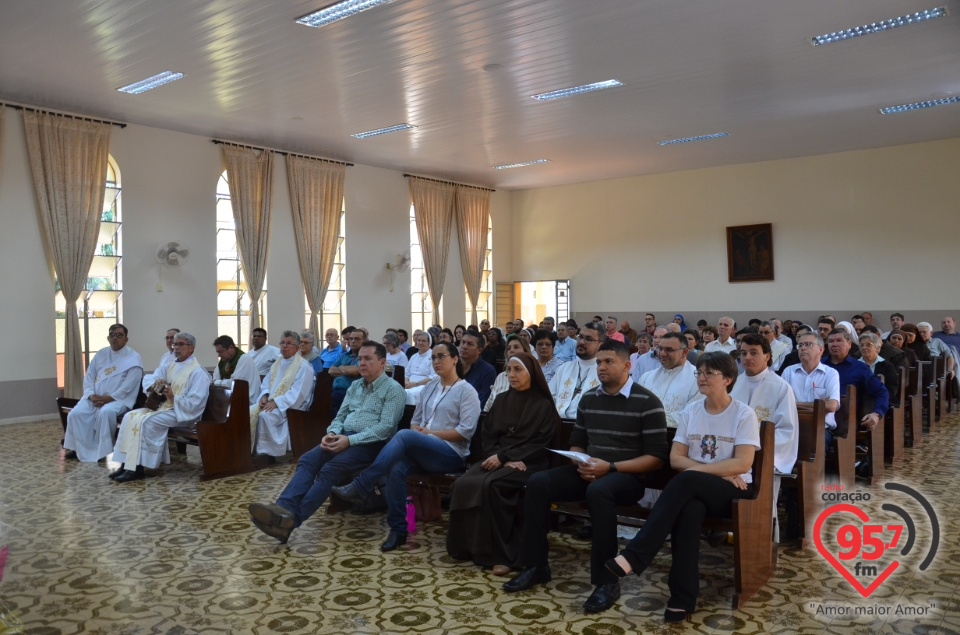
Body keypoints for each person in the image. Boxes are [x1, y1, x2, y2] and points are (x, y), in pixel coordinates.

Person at [503, 340, 668, 614]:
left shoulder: (647, 402)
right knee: (538, 482)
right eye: (599, 362)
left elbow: (656, 458)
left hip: (627, 477)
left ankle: (607, 581)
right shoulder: (589, 398)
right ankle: (535, 565)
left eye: (608, 362)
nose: (601, 367)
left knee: (599, 492)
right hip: (592, 470)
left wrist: (611, 467)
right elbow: (578, 441)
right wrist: (580, 460)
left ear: (627, 365)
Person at [604, 351, 760, 623]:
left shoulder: (743, 414)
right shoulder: (691, 411)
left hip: (734, 491)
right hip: (704, 486)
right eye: (699, 372)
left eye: (709, 373)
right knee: (689, 511)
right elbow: (676, 459)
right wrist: (719, 472)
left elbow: (743, 462)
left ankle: (636, 555)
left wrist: (710, 473)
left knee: (687, 481)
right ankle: (682, 598)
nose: (702, 378)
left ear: (728, 379)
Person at [247, 341, 406, 543]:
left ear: (382, 362)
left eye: (368, 359)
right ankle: (283, 508)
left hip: (372, 445)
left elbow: (386, 428)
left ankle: (291, 522)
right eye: (360, 359)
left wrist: (349, 440)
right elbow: (340, 416)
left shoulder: (393, 390)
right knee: (306, 460)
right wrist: (331, 433)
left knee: (329, 470)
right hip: (344, 436)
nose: (362, 363)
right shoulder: (355, 386)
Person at [333, 341, 481, 552]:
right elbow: (416, 420)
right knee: (396, 469)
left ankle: (364, 482)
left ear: (455, 359)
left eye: (441, 356)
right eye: (433, 358)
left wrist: (429, 434)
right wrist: (417, 432)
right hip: (422, 448)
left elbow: (465, 432)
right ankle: (399, 531)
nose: (436, 361)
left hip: (450, 452)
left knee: (403, 435)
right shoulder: (430, 387)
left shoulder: (467, 391)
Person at [447, 352, 559, 574]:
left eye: (517, 370)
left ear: (531, 373)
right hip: (498, 459)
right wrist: (499, 457)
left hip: (530, 463)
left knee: (494, 486)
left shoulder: (544, 404)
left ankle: (505, 556)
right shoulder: (501, 399)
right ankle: (469, 548)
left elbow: (542, 442)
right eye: (508, 370)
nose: (511, 375)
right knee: (463, 484)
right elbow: (488, 434)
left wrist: (506, 458)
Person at [110, 332, 210, 482]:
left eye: (181, 344)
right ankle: (125, 464)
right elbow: (152, 377)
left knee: (146, 422)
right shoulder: (171, 365)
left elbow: (196, 403)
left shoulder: (198, 372)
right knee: (129, 417)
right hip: (164, 408)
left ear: (192, 348)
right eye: (175, 344)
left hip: (182, 413)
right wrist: (155, 384)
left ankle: (137, 468)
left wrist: (174, 397)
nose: (176, 347)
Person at [729, 333, 798, 542]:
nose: (747, 357)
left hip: (763, 456)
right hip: (732, 456)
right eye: (743, 353)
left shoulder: (780, 387)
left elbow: (787, 430)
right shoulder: (733, 384)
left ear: (767, 356)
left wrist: (752, 450)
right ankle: (729, 529)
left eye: (754, 353)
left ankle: (761, 541)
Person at [64, 324, 144, 462]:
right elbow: (89, 377)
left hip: (119, 400)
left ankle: (101, 451)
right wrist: (90, 394)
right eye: (112, 335)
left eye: (119, 335)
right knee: (75, 414)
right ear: (108, 338)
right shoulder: (101, 354)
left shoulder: (133, 358)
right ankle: (78, 448)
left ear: (126, 339)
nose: (115, 338)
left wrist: (109, 398)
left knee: (105, 413)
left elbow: (129, 386)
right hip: (95, 398)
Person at [252, 331, 315, 456]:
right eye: (282, 342)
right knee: (249, 411)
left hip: (292, 406)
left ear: (297, 347)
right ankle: (251, 450)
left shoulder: (304, 367)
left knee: (265, 416)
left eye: (289, 343)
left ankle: (268, 452)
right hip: (273, 401)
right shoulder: (277, 363)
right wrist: (265, 396)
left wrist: (277, 402)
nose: (284, 346)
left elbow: (300, 393)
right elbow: (267, 384)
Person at [822, 328, 888, 446]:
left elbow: (881, 392)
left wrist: (877, 413)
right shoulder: (820, 365)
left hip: (845, 420)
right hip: (820, 415)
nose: (835, 344)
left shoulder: (860, 368)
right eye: (831, 341)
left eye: (839, 340)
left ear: (849, 344)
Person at [781, 332, 841, 449]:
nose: (802, 348)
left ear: (821, 349)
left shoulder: (830, 374)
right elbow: (781, 403)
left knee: (816, 444)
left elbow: (831, 406)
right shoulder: (789, 372)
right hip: (792, 426)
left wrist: (794, 404)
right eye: (800, 345)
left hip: (819, 427)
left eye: (808, 344)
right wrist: (819, 405)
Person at [639, 332, 700, 428]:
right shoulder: (646, 377)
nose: (662, 353)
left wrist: (651, 421)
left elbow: (692, 414)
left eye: (669, 350)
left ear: (684, 352)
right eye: (660, 348)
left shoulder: (699, 379)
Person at [548, 321, 604, 418]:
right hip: (559, 424)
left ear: (600, 344)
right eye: (580, 337)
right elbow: (549, 396)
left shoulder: (604, 371)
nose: (582, 342)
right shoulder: (564, 368)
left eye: (588, 339)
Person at [485, 334, 530, 411]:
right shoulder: (501, 377)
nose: (511, 350)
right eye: (509, 348)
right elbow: (489, 405)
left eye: (516, 347)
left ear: (525, 351)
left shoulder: (531, 375)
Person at [212, 334, 261, 404]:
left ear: (231, 348)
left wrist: (218, 382)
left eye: (220, 352)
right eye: (217, 352)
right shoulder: (223, 362)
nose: (219, 355)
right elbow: (214, 380)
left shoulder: (244, 359)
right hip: (230, 397)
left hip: (246, 400)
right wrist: (217, 382)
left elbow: (235, 384)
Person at [458, 330, 497, 406]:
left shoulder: (488, 371)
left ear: (479, 350)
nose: (464, 346)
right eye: (463, 342)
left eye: (470, 344)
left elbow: (481, 403)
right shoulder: (452, 366)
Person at [859, 332, 899, 403]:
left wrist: (881, 399)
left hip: (882, 401)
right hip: (859, 401)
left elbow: (892, 388)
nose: (864, 347)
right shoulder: (855, 364)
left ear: (877, 348)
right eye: (861, 345)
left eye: (868, 345)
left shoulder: (887, 366)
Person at [330, 330, 364, 411]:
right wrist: (347, 369)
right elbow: (331, 370)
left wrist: (341, 367)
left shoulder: (363, 357)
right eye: (351, 339)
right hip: (335, 391)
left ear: (364, 341)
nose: (353, 341)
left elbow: (354, 371)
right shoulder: (344, 355)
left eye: (357, 339)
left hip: (352, 393)